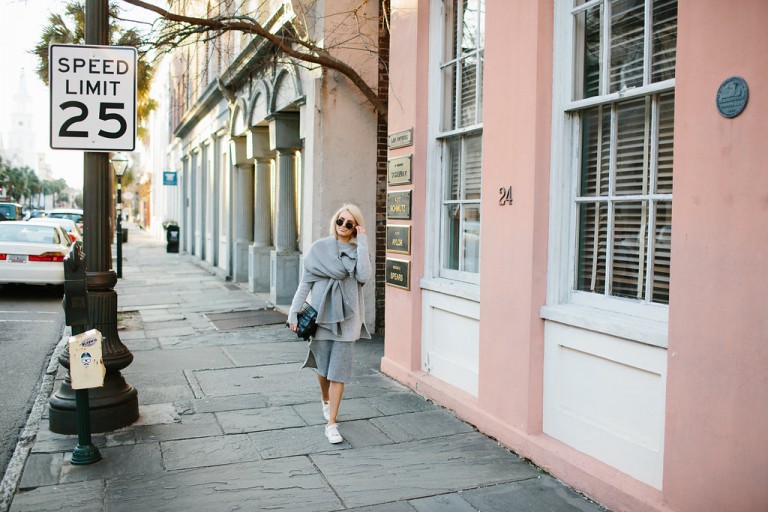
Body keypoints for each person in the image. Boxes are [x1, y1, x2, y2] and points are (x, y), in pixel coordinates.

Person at [288, 204, 372, 444]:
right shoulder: (318, 249)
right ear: (335, 221)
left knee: (339, 372)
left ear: (355, 226)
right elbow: (305, 284)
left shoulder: (358, 252)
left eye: (349, 223)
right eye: (340, 221)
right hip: (322, 317)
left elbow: (364, 277)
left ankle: (331, 423)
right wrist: (293, 313)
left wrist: (363, 241)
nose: (343, 226)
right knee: (323, 369)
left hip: (348, 320)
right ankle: (325, 399)